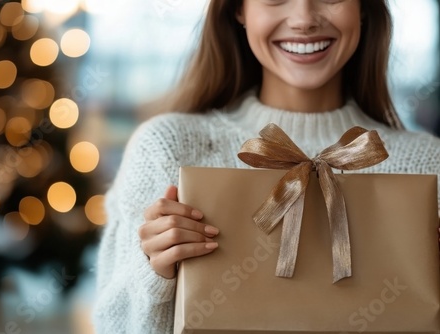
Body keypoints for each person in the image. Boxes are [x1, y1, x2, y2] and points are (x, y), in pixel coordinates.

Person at [93, 1, 440, 333]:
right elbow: (113, 326)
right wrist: (154, 274)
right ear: (238, 9)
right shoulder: (167, 146)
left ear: (363, 8)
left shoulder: (429, 162)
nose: (304, 18)